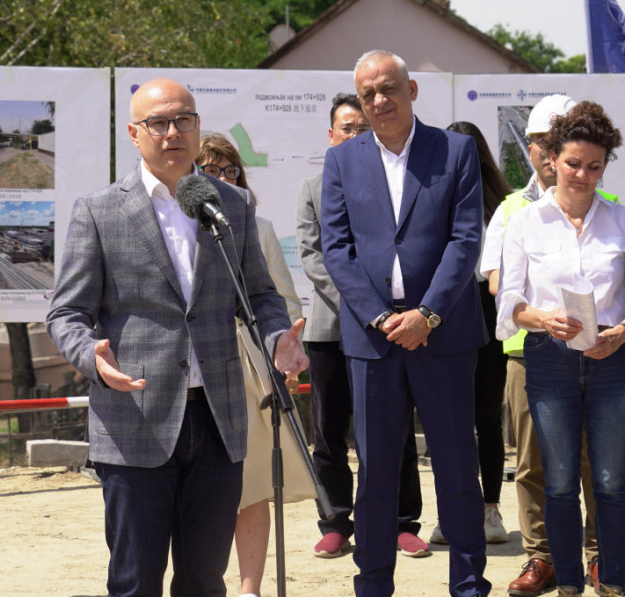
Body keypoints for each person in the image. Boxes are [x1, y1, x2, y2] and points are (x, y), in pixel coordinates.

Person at [46, 78, 307, 597]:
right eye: (158, 123)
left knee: (205, 582)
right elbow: (66, 313)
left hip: (218, 418)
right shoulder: (99, 210)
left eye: (183, 119)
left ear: (197, 126)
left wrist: (278, 335)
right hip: (134, 419)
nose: (172, 132)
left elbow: (259, 295)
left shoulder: (231, 204)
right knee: (135, 582)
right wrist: (91, 356)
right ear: (134, 134)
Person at [319, 50, 491, 597]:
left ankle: (469, 584)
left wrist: (427, 314)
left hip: (444, 336)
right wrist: (380, 316)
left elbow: (466, 239)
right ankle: (372, 584)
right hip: (373, 341)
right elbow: (336, 249)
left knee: (457, 468)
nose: (379, 100)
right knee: (375, 473)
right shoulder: (341, 161)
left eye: (389, 88)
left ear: (411, 90)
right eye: (368, 93)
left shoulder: (455, 150)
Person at [479, 94, 607, 596]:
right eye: (540, 140)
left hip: (600, 355)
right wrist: (542, 308)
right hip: (528, 352)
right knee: (536, 465)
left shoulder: (607, 205)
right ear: (536, 149)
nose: (551, 152)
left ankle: (598, 557)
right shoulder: (513, 208)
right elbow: (496, 281)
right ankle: (542, 557)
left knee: (597, 462)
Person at [295, 93, 428, 560]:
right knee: (329, 432)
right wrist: (365, 307)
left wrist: (383, 314)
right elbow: (313, 256)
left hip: (390, 328)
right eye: (346, 128)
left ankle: (402, 521)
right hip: (332, 328)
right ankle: (335, 521)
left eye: (361, 128)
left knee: (395, 429)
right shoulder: (312, 186)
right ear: (330, 136)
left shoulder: (392, 184)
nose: (354, 135)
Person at [195, 132, 313, 597]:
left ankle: (250, 590)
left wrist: (282, 349)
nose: (223, 179)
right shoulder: (171, 226)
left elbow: (282, 300)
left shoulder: (257, 227)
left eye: (230, 171)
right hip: (191, 369)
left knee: (254, 484)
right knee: (201, 489)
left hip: (248, 369)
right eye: (211, 170)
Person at [428, 121, 510, 545]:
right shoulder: (430, 197)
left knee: (486, 418)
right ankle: (452, 511)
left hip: (488, 306)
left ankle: (490, 509)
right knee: (448, 419)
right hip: (444, 309)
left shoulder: (502, 206)